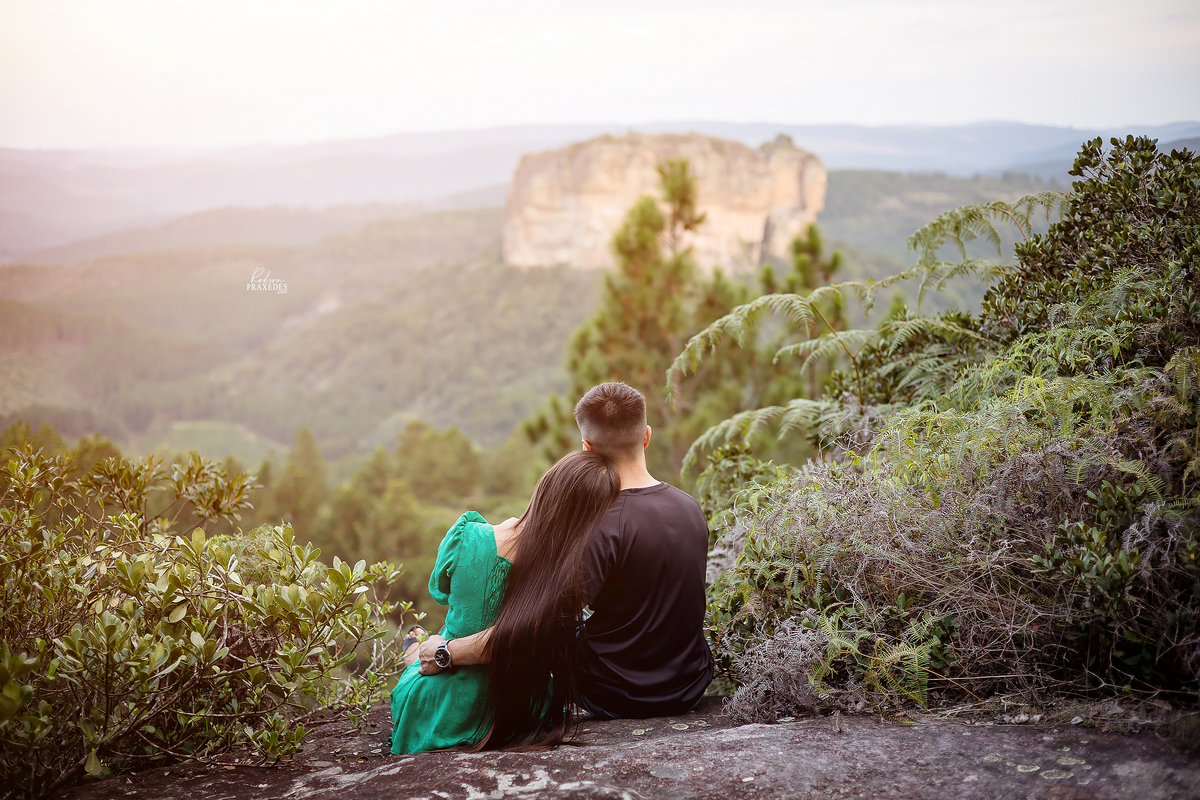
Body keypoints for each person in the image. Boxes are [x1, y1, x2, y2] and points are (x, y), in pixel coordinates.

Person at [419, 381, 714, 720]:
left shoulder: (599, 524)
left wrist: (447, 652)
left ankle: (419, 648)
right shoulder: (690, 507)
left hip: (617, 695)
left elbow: (533, 632)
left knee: (542, 619)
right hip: (689, 686)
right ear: (646, 436)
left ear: (588, 448)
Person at [388, 450, 620, 754]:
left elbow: (439, 590)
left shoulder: (468, 534)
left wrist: (447, 647)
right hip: (522, 711)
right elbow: (521, 638)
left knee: (435, 642)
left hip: (444, 701)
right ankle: (420, 649)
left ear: (544, 487)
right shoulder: (570, 577)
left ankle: (416, 651)